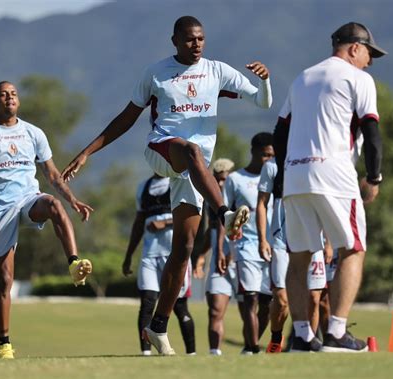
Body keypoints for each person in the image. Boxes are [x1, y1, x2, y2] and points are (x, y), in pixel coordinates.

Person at [62, 15, 272, 355]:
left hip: (196, 171)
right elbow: (127, 118)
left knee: (184, 249)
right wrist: (87, 152)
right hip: (162, 150)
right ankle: (226, 215)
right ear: (174, 40)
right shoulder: (156, 73)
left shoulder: (217, 71)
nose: (197, 44)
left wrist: (264, 81)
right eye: (189, 39)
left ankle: (157, 326)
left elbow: (262, 102)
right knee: (190, 149)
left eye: (201, 39)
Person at [273, 22, 386, 352]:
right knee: (352, 248)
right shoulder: (359, 78)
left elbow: (280, 132)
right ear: (354, 48)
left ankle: (302, 337)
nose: (369, 61)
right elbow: (372, 131)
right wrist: (374, 177)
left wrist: (282, 175)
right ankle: (336, 332)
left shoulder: (302, 77)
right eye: (368, 54)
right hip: (335, 175)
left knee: (299, 258)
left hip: (296, 176)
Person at [0, 81, 94, 359]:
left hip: (28, 199)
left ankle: (73, 263)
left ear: (18, 101)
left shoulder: (33, 133)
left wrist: (72, 200)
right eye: (3, 94)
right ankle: (4, 346)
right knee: (5, 280)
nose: (9, 98)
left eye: (13, 94)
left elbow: (52, 174)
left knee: (53, 203)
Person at [257, 157, 332, 352]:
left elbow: (325, 202)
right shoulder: (272, 166)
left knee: (314, 298)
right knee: (281, 300)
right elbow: (262, 204)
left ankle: (308, 344)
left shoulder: (316, 160)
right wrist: (263, 239)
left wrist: (329, 242)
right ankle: (276, 339)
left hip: (313, 241)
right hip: (281, 242)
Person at [123, 173, 196, 355]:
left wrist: (164, 222)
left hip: (175, 256)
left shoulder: (180, 182)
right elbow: (139, 222)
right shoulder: (143, 187)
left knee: (179, 306)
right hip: (149, 255)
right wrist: (129, 255)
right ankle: (146, 354)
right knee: (147, 303)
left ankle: (191, 354)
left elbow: (193, 216)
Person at [221, 132, 275, 354]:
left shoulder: (275, 175)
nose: (268, 160)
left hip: (273, 247)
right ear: (253, 151)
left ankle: (249, 347)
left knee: (268, 304)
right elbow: (222, 213)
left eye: (272, 155)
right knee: (250, 300)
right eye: (265, 155)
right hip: (245, 246)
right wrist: (226, 243)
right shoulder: (236, 179)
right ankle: (253, 348)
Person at [193, 158, 239, 355]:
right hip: (217, 257)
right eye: (217, 179)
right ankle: (215, 354)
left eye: (223, 180)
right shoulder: (212, 201)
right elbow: (212, 229)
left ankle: (252, 350)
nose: (220, 184)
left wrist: (231, 253)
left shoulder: (242, 194)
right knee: (214, 310)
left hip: (242, 255)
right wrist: (202, 256)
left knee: (253, 309)